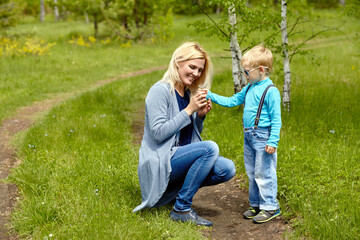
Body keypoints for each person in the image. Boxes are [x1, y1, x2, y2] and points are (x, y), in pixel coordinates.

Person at [133, 42, 236, 227]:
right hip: (162, 160)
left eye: (199, 70)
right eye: (192, 67)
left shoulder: (188, 93)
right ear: (178, 62)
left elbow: (188, 136)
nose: (196, 73)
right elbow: (157, 133)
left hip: (178, 158)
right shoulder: (160, 90)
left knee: (227, 168)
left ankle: (171, 195)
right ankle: (181, 208)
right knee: (210, 148)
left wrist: (200, 117)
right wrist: (189, 110)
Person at [205, 45, 282, 223]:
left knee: (264, 172)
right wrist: (211, 95)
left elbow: (276, 119)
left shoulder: (271, 91)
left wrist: (273, 141)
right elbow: (232, 101)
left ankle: (270, 206)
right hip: (249, 136)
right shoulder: (249, 88)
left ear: (261, 70)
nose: (245, 75)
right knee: (252, 171)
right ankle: (256, 204)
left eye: (247, 72)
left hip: (264, 137)